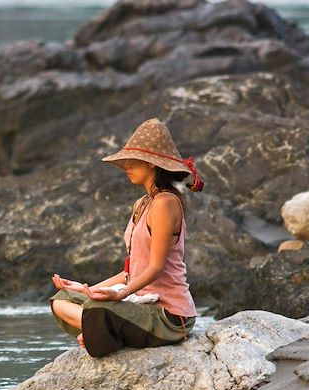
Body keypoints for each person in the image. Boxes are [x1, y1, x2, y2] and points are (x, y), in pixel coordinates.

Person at [49, 117, 204, 358]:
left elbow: (156, 268)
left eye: (132, 161)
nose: (126, 167)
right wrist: (85, 288)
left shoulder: (165, 203)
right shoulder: (141, 203)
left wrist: (119, 294)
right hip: (138, 303)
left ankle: (99, 330)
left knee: (96, 310)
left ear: (152, 165)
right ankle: (99, 331)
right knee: (62, 299)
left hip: (168, 316)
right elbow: (131, 271)